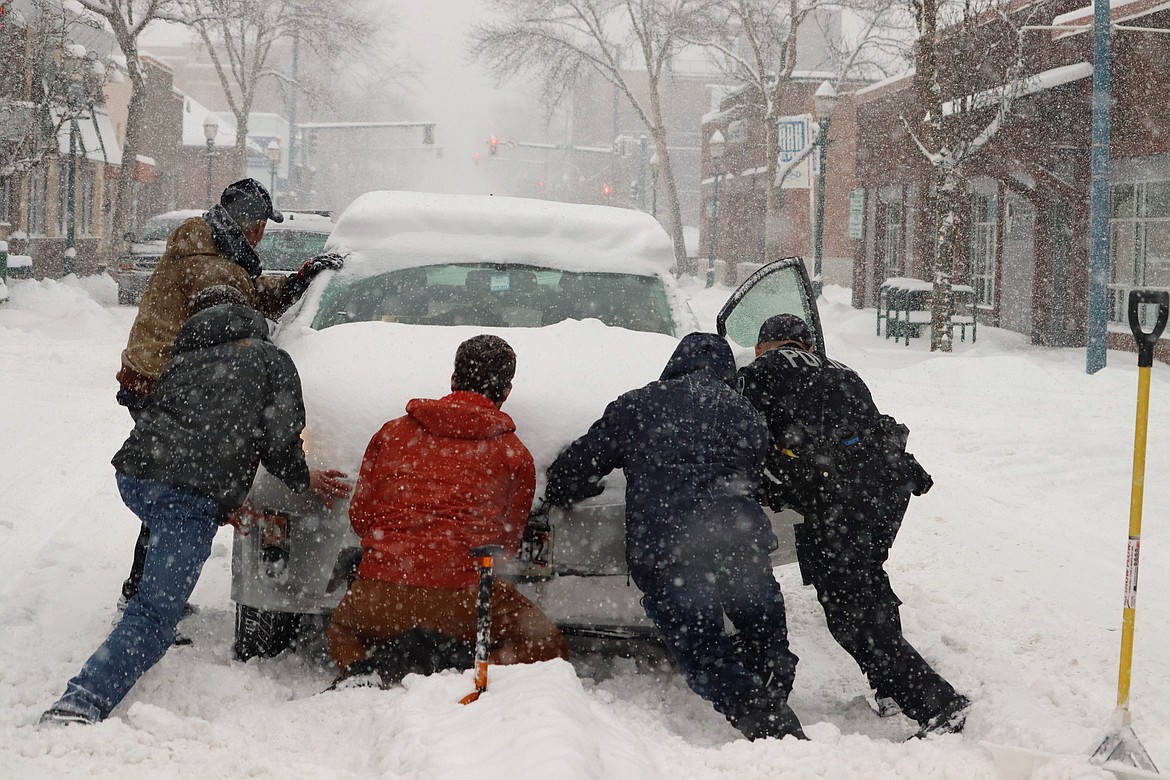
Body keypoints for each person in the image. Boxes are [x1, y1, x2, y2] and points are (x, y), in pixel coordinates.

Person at [40, 290, 351, 726]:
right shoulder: (269, 359)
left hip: (134, 477)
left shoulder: (185, 359)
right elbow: (279, 438)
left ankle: (148, 609)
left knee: (167, 547)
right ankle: (79, 704)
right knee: (154, 614)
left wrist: (221, 503)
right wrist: (304, 478)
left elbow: (190, 430)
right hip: (183, 493)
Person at [545, 332, 805, 742]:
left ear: (675, 363)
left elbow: (573, 471)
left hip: (672, 551)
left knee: (704, 652)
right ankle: (772, 692)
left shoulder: (638, 405)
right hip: (740, 545)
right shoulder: (746, 412)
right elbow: (758, 479)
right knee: (764, 634)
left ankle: (771, 726)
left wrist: (571, 489)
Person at [114, 178, 344, 616]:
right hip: (163, 382)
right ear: (249, 224)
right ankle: (149, 603)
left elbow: (248, 294)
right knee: (176, 487)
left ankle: (144, 591)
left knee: (171, 484)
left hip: (152, 376)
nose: (262, 233)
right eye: (261, 224)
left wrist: (298, 281)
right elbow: (227, 321)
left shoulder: (214, 249)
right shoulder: (211, 266)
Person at [738, 313, 970, 738]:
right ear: (808, 344)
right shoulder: (844, 370)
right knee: (866, 584)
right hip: (884, 489)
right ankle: (890, 690)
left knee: (850, 613)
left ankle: (939, 705)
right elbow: (862, 430)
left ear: (759, 348)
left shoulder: (756, 374)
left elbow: (747, 438)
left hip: (836, 495)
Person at [325, 335, 570, 683]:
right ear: (506, 391)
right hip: (467, 598)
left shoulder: (392, 434)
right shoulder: (514, 454)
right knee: (546, 644)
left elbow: (361, 519)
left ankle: (368, 669)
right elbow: (506, 546)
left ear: (454, 379)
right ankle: (469, 672)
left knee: (343, 632)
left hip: (382, 591)